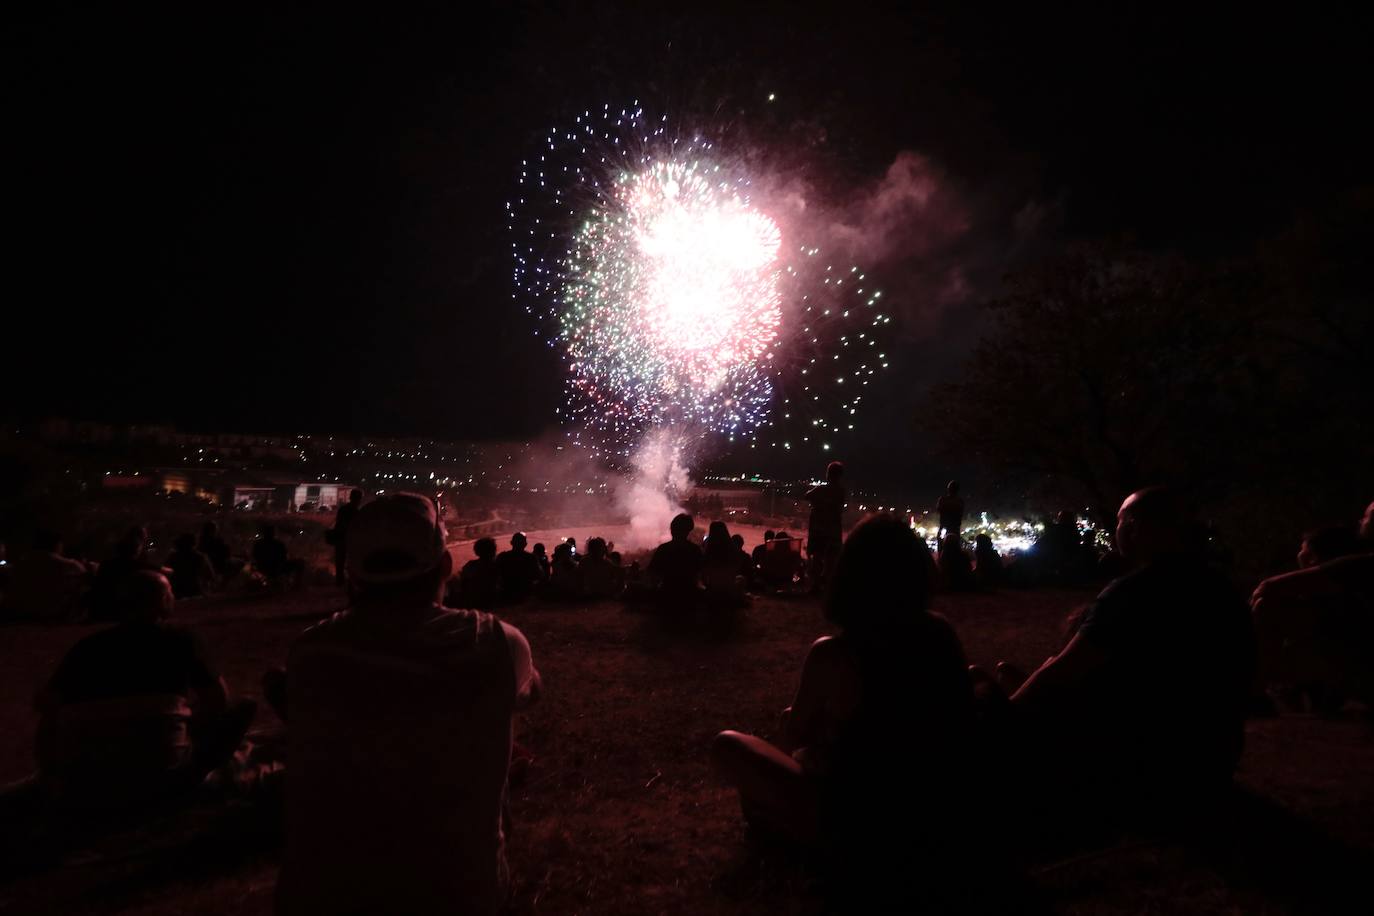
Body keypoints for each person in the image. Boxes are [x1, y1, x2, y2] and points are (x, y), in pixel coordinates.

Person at [274, 493, 541, 916]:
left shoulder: (311, 652)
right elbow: (532, 693)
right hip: (457, 894)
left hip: (327, 897)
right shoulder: (497, 643)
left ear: (352, 573)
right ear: (446, 566)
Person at [711, 515, 976, 904]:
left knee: (729, 745)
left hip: (858, 823)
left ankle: (784, 827)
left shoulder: (834, 653)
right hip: (935, 812)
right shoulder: (941, 634)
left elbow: (793, 735)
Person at [1003, 487, 1254, 830]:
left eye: (1119, 521)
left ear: (1134, 527)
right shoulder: (1221, 588)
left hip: (1145, 764)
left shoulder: (1133, 592)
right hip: (1212, 757)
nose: (1116, 529)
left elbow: (1064, 672)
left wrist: (1004, 718)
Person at [32, 571, 255, 809]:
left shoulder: (87, 647)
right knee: (243, 706)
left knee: (50, 720)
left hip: (89, 776)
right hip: (162, 775)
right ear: (162, 601)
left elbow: (46, 703)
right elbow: (218, 700)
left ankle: (58, 782)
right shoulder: (181, 640)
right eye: (169, 592)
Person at [1251, 503, 1374, 710]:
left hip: (1363, 670)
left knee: (1269, 605)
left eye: (1368, 516)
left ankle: (1252, 688)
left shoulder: (1363, 566)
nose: (1361, 521)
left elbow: (1270, 587)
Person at [3, 529, 89, 623]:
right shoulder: (69, 565)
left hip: (20, 611)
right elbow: (83, 576)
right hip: (53, 613)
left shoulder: (19, 564)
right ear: (57, 544)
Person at [91, 527, 163, 621]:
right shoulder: (137, 564)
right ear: (136, 549)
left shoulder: (106, 564)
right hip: (123, 607)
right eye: (143, 535)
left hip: (103, 606)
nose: (146, 537)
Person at [805, 461, 847, 592]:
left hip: (819, 529)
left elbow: (807, 495)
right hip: (833, 530)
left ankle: (815, 585)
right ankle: (828, 585)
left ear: (828, 475)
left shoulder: (820, 490)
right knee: (831, 559)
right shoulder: (841, 492)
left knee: (817, 557)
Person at [647, 513, 704, 607]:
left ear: (672, 529)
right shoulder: (695, 550)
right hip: (689, 597)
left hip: (667, 595)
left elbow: (652, 573)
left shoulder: (663, 549)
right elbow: (700, 572)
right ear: (688, 530)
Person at [448, 537, 501, 609]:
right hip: (491, 598)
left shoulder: (471, 565)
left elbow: (463, 581)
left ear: (477, 551)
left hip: (474, 599)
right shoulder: (499, 564)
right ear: (494, 550)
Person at [166, 533, 217, 599]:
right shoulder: (200, 557)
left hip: (177, 591)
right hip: (195, 591)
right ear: (194, 544)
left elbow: (166, 573)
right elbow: (210, 575)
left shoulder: (173, 557)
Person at [328, 488, 363, 585]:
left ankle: (340, 581)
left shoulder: (343, 509)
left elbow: (339, 524)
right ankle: (351, 581)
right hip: (350, 539)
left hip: (340, 538)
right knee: (352, 561)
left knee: (340, 561)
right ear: (359, 499)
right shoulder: (356, 511)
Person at [495, 532, 541, 604]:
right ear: (525, 544)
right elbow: (539, 575)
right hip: (525, 592)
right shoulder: (531, 558)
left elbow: (495, 574)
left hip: (506, 591)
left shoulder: (502, 557)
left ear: (511, 543)